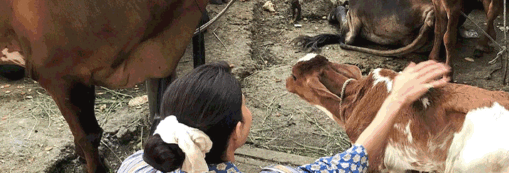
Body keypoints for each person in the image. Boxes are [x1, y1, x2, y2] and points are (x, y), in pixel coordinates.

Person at [118, 60, 450, 173]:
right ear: (237, 130)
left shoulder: (135, 162)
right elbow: (349, 162)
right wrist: (397, 99)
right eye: (245, 104)